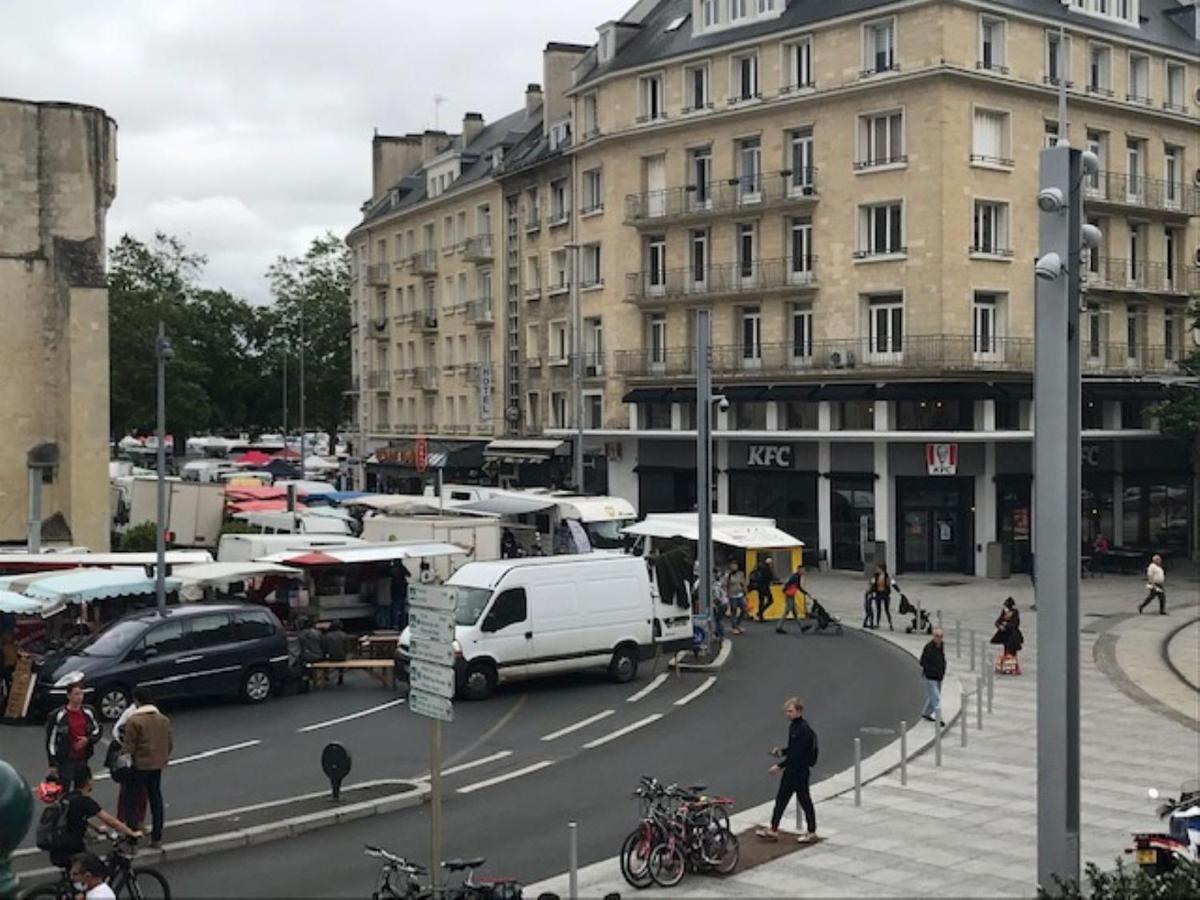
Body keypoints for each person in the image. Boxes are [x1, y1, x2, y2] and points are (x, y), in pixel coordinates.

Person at [47, 767, 141, 872]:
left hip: (58, 847)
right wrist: (131, 833)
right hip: (72, 849)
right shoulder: (85, 801)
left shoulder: (68, 797)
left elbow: (77, 818)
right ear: (88, 781)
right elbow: (110, 821)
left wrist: (97, 828)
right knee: (97, 869)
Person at [756, 698, 818, 843]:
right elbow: (793, 750)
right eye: (786, 711)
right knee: (781, 799)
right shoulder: (793, 727)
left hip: (800, 771)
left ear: (799, 711)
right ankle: (773, 829)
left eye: (790, 711)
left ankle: (811, 831)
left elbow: (798, 754)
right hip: (791, 770)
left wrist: (779, 766)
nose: (787, 714)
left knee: (804, 800)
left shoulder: (804, 729)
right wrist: (781, 752)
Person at [122, 687, 172, 848]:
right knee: (156, 799)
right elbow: (169, 744)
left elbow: (128, 748)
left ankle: (132, 837)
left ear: (137, 701)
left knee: (131, 801)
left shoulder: (134, 721)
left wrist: (126, 765)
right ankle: (157, 836)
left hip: (139, 766)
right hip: (157, 764)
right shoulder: (163, 720)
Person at [45, 681, 102, 789]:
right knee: (63, 790)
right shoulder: (58, 715)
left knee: (81, 790)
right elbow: (51, 741)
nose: (80, 697)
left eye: (81, 694)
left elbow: (97, 729)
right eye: (76, 694)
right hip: (65, 760)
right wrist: (52, 763)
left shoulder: (89, 711)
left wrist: (87, 740)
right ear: (68, 696)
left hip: (83, 758)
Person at [919, 628, 946, 725]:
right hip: (930, 676)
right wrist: (929, 670)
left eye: (941, 636)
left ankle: (926, 712)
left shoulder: (941, 646)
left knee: (933, 696)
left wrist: (942, 671)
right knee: (936, 697)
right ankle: (939, 718)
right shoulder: (928, 648)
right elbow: (923, 661)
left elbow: (942, 659)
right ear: (933, 636)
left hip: (939, 676)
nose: (939, 639)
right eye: (937, 636)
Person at [991, 597, 1024, 675]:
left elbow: (1015, 623)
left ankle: (1014, 667)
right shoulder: (1004, 612)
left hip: (1013, 634)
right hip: (1005, 634)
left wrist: (1006, 624)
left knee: (1013, 650)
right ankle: (1007, 666)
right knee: (1006, 649)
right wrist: (1000, 626)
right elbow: (998, 621)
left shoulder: (1015, 612)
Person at [777, 564, 806, 635]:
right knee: (787, 611)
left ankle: (802, 626)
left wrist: (805, 593)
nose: (803, 571)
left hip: (791, 595)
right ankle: (779, 627)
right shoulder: (794, 576)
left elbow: (798, 586)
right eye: (802, 570)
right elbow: (788, 584)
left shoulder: (798, 576)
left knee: (795, 612)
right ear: (799, 570)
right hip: (789, 595)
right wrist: (785, 591)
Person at [321, 619, 352, 686]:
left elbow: (324, 648)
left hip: (330, 657)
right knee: (341, 658)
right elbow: (347, 648)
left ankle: (326, 675)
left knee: (325, 658)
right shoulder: (344, 635)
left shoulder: (327, 635)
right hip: (342, 657)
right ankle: (340, 676)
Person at [722, 561, 747, 635]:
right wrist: (726, 594)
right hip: (732, 595)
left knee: (744, 609)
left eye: (736, 565)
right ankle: (734, 627)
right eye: (733, 565)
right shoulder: (728, 575)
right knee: (734, 611)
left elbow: (743, 583)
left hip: (740, 594)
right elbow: (724, 584)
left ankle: (737, 624)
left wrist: (745, 591)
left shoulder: (740, 574)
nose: (734, 567)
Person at [750, 557, 775, 622]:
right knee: (770, 600)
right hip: (765, 587)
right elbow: (770, 577)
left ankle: (760, 615)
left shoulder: (761, 568)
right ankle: (760, 614)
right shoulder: (767, 569)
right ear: (770, 563)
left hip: (759, 587)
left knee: (761, 601)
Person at [870, 563, 894, 631]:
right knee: (878, 610)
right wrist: (871, 592)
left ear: (881, 569)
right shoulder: (875, 576)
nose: (876, 570)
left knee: (887, 610)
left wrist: (898, 590)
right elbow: (872, 584)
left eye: (877, 568)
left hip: (885, 594)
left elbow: (892, 583)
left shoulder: (887, 576)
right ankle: (877, 623)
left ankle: (890, 624)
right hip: (878, 594)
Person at [389, 561, 411, 631]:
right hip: (402, 590)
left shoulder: (393, 569)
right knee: (402, 609)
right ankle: (403, 624)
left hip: (396, 591)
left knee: (395, 609)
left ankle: (395, 624)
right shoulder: (402, 567)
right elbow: (409, 574)